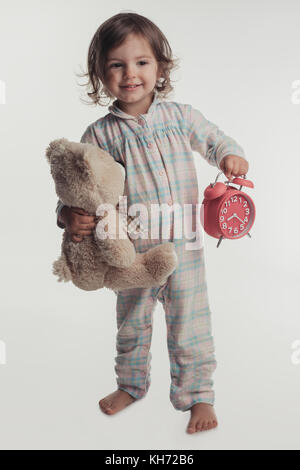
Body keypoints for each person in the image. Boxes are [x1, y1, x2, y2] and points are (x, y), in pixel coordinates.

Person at [56, 12, 248, 434]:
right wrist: (67, 216)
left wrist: (229, 155)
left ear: (160, 66)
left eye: (141, 62)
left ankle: (197, 394)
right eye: (117, 65)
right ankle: (131, 384)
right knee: (131, 325)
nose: (130, 74)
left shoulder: (181, 117)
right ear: (100, 74)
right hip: (131, 254)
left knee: (191, 323)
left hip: (185, 249)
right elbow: (77, 188)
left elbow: (214, 139)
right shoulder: (99, 135)